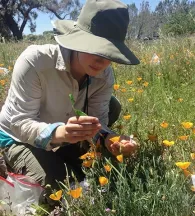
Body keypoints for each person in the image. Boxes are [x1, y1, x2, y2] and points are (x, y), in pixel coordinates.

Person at [0, 0, 140, 189]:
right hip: (16, 137)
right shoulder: (36, 62)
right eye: (96, 49)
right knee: (58, 184)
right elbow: (20, 124)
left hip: (63, 132)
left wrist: (109, 139)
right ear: (78, 40)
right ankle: (15, 160)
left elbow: (99, 121)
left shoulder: (104, 75)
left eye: (110, 54)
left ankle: (60, 155)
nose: (102, 61)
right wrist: (61, 132)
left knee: (112, 106)